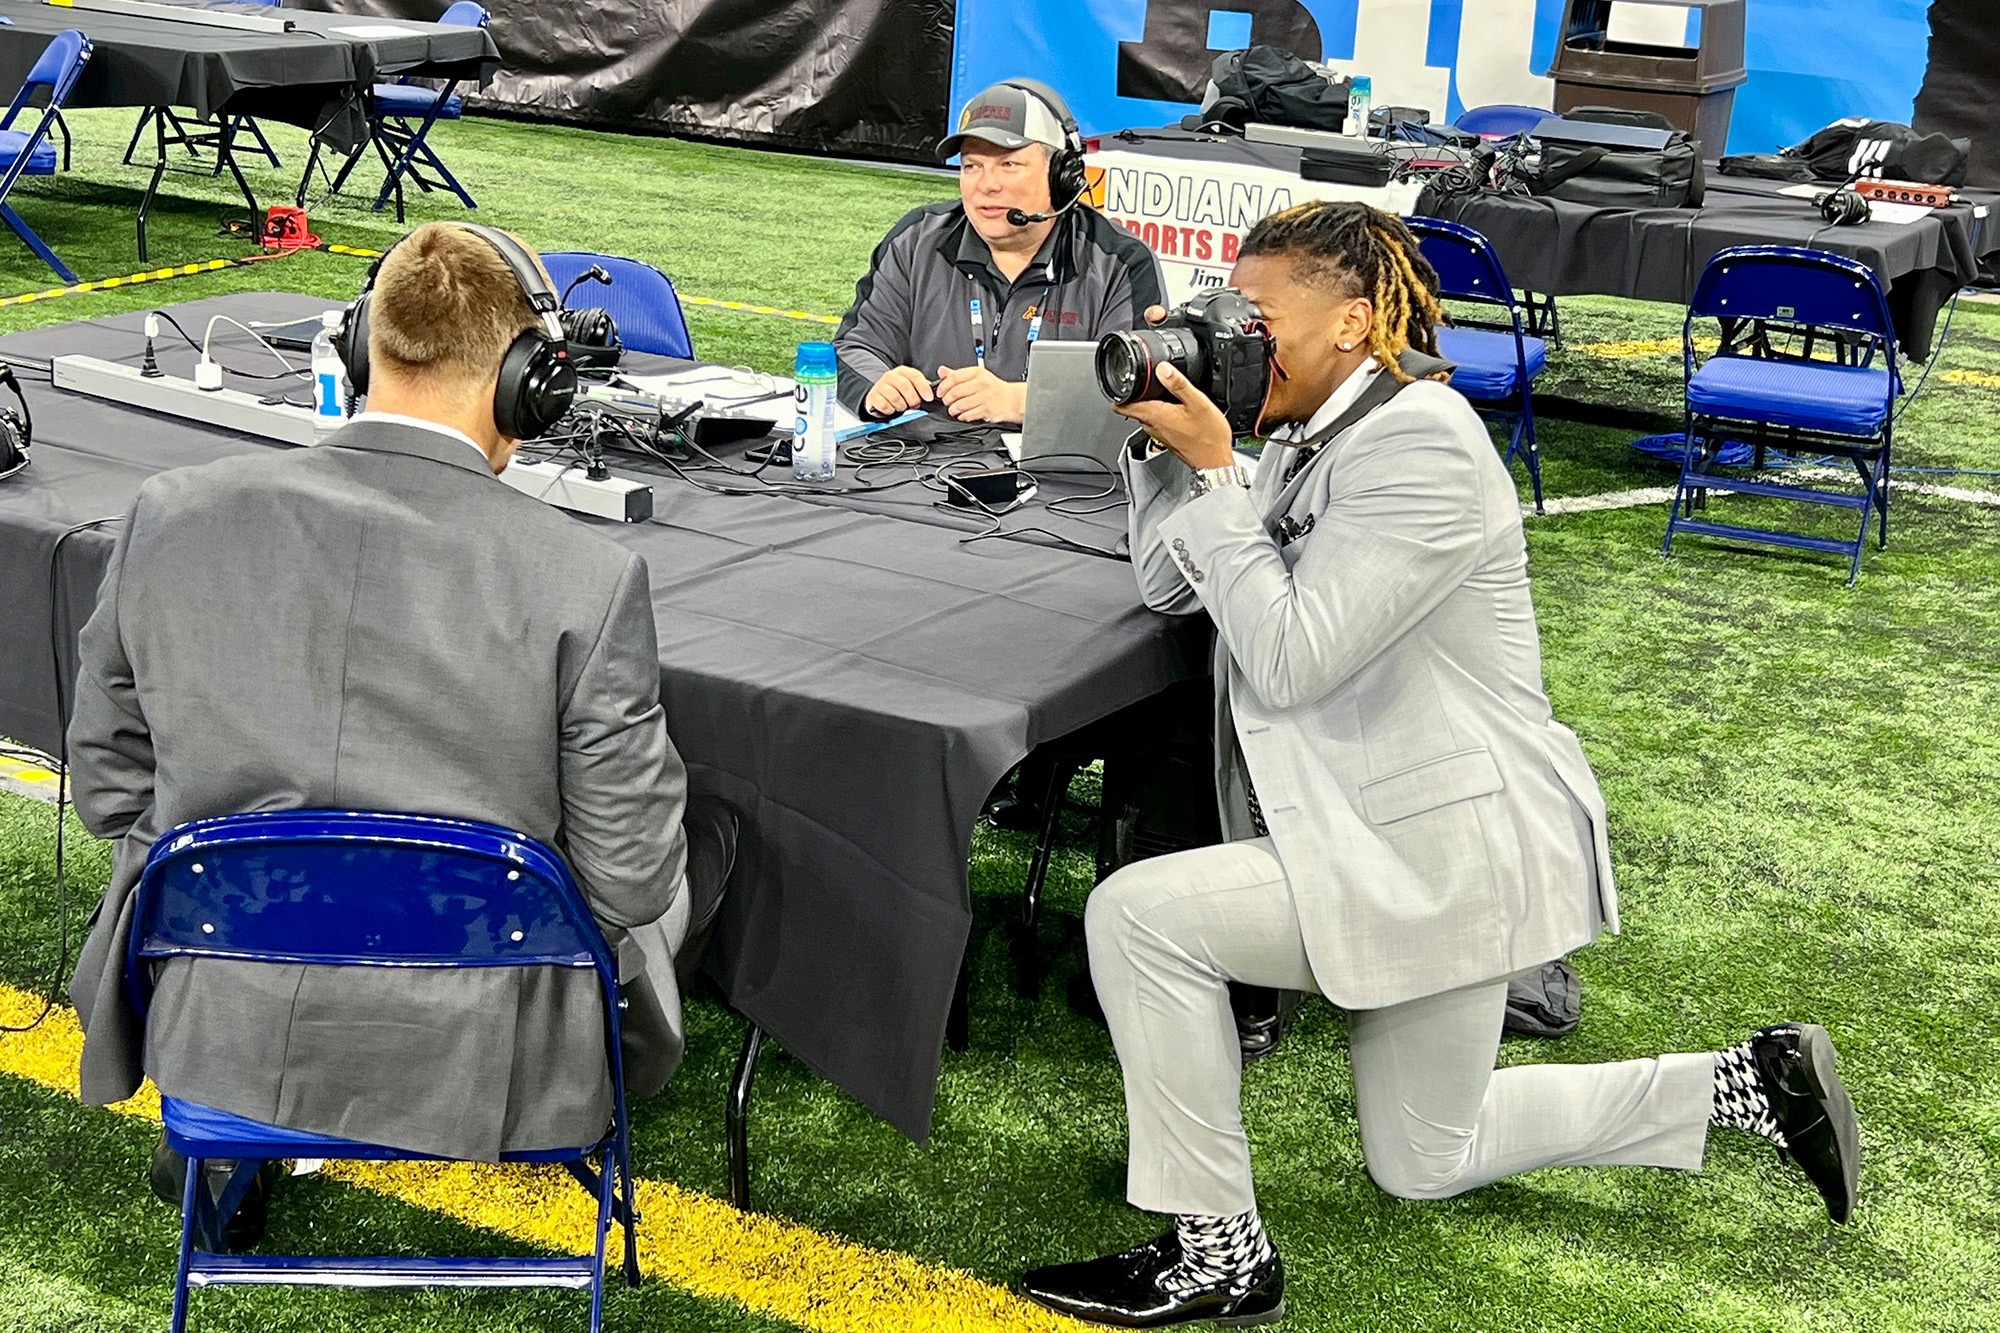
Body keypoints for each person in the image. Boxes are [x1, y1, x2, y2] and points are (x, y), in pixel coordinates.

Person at [1018, 201, 1860, 1328]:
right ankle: (1745, 1082)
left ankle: (1215, 1249)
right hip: (1404, 830)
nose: (1230, 333)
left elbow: (1290, 653)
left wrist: (1220, 476)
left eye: (1255, 317)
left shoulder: (1421, 442)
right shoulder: (1319, 431)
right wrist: (1169, 454)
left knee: (1139, 915)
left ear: (1355, 323)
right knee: (1425, 1152)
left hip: (1445, 845)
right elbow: (1177, 587)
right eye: (1223, 309)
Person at [64, 221, 736, 1247]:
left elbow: (109, 791)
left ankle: (250, 1132)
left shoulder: (168, 513)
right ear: (529, 384)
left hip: (220, 1023)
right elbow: (632, 880)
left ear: (353, 349)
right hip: (489, 1056)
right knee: (697, 849)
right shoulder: (588, 579)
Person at [834, 78, 1164, 426]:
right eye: (972, 166)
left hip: (1061, 472)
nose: (987, 185)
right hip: (923, 466)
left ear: (1061, 175)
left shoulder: (1121, 264)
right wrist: (878, 387)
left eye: (1009, 165)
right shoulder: (916, 241)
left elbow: (1143, 395)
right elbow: (853, 349)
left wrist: (1026, 402)